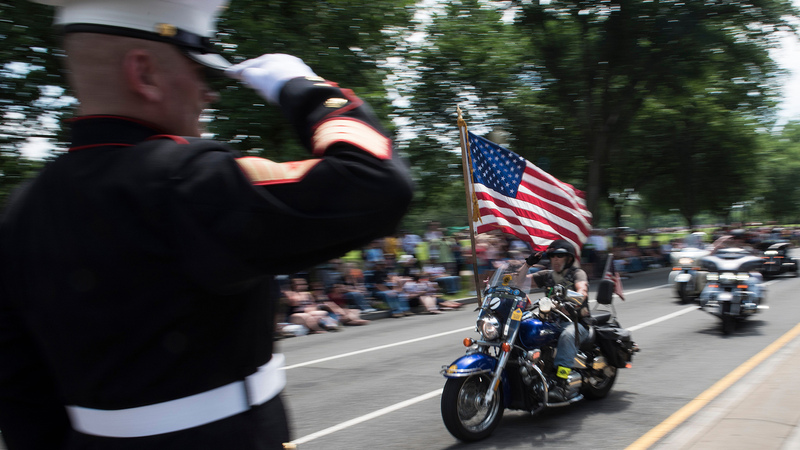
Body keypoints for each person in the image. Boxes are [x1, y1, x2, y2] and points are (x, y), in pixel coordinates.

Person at [0, 0, 413, 448]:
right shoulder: (187, 180)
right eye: (198, 70)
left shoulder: (21, 212)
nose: (209, 93)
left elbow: (21, 397)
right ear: (145, 74)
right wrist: (305, 90)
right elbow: (377, 182)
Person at [517, 240, 589, 403]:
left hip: (577, 323)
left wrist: (572, 298)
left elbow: (582, 290)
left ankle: (561, 382)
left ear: (568, 259)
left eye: (560, 256)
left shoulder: (577, 273)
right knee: (525, 328)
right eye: (553, 256)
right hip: (552, 322)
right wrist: (527, 264)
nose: (555, 259)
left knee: (567, 336)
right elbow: (519, 282)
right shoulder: (547, 275)